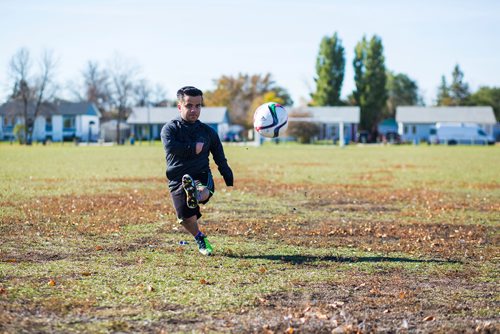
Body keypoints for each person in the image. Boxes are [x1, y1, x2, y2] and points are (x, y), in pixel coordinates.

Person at [160, 86, 233, 256]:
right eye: (189, 106)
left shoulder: (208, 132)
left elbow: (219, 156)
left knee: (202, 189)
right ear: (180, 107)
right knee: (184, 218)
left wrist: (227, 173)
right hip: (177, 178)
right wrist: (193, 148)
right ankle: (199, 236)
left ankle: (195, 193)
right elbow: (171, 147)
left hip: (201, 174)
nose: (194, 110)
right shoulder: (170, 129)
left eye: (198, 106)